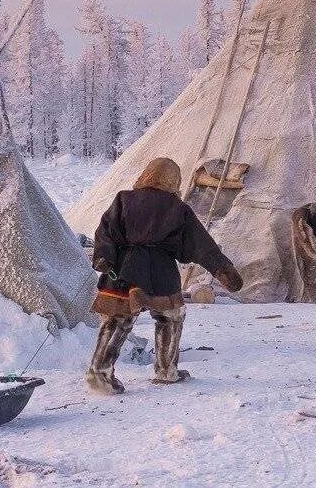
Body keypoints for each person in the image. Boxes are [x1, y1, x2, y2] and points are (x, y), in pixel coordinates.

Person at [87, 157, 243, 395]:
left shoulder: (123, 199)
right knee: (170, 316)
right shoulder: (177, 208)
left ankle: (99, 372)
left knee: (117, 319)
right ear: (174, 181)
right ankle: (166, 370)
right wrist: (221, 268)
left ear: (145, 175)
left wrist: (103, 257)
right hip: (160, 271)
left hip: (122, 268)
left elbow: (105, 231)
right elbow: (200, 244)